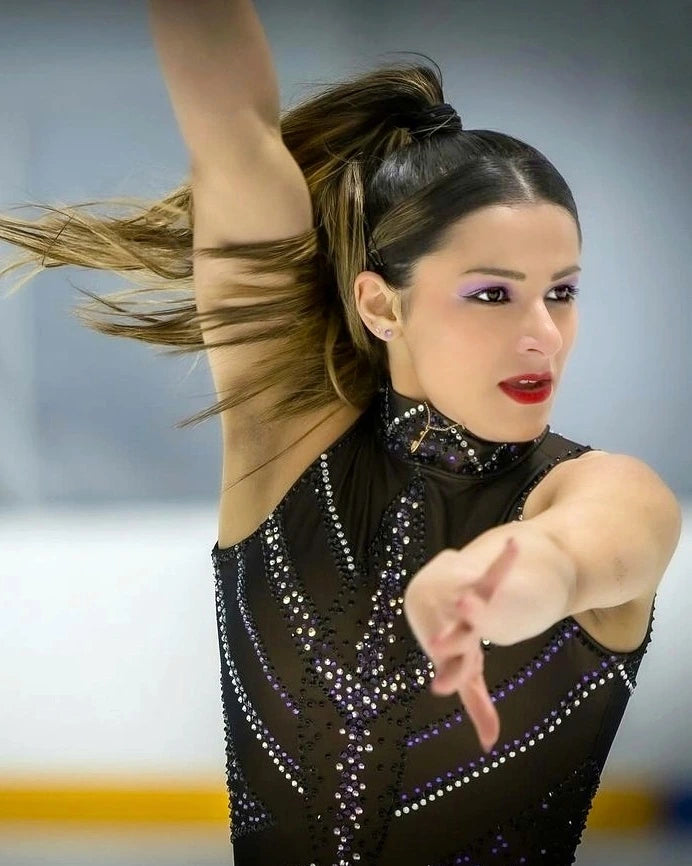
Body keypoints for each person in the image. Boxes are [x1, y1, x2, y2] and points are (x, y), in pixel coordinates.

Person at [0, 2, 681, 864]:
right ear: (379, 302)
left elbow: (576, 554)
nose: (542, 332)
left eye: (563, 291)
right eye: (492, 293)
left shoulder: (607, 491)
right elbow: (231, 129)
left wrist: (492, 585)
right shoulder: (283, 439)